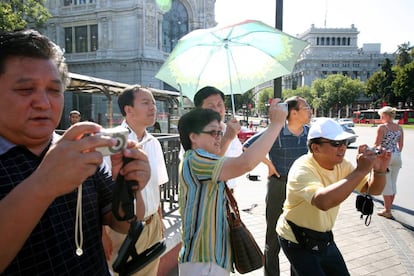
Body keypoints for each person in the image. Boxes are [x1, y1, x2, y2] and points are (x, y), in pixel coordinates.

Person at [0, 29, 150, 274]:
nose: (43, 103)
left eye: (54, 90)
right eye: (26, 89)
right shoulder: (74, 152)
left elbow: (122, 223)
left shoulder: (81, 151)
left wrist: (129, 184)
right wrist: (43, 184)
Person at [177, 99, 288, 275]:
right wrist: (276, 124)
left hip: (211, 259)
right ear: (193, 137)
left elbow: (236, 162)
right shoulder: (195, 159)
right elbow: (246, 163)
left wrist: (228, 136)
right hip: (204, 261)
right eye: (213, 133)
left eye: (219, 133)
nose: (218, 137)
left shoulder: (200, 160)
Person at [276, 118, 391, 275]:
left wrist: (379, 171)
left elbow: (371, 190)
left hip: (324, 237)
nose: (343, 147)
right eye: (336, 143)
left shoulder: (342, 164)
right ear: (315, 148)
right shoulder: (302, 169)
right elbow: (323, 202)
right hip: (296, 239)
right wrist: (361, 171)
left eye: (344, 142)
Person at [243, 96, 312, 276]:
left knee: (300, 236)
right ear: (294, 112)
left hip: (302, 191)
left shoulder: (310, 133)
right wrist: (269, 165)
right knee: (273, 237)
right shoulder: (276, 131)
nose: (310, 110)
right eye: (306, 107)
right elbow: (247, 147)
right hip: (278, 186)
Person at [105, 85, 169, 275]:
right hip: (122, 230)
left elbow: (156, 185)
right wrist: (101, 232)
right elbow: (98, 190)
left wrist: (159, 218)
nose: (153, 108)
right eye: (146, 103)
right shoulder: (113, 141)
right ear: (128, 109)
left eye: (154, 103)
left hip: (152, 225)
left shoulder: (153, 142)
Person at [193, 86, 243, 192]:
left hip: (228, 193)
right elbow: (208, 167)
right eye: (211, 106)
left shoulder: (228, 129)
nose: (217, 110)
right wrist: (228, 138)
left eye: (220, 104)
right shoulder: (195, 135)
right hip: (206, 196)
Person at [374, 106, 403, 219]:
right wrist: (396, 153)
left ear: (386, 116)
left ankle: (387, 210)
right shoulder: (399, 128)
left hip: (386, 156)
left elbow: (377, 144)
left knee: (386, 184)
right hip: (396, 156)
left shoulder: (382, 127)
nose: (380, 117)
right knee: (393, 183)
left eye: (381, 115)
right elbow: (401, 145)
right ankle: (389, 207)